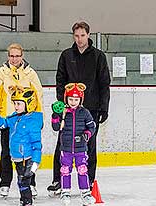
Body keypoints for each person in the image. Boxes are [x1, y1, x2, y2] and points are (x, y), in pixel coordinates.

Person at [48, 21, 111, 195]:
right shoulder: (67, 55)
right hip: (69, 110)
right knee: (63, 142)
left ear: (88, 35)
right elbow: (60, 80)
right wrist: (62, 103)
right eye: (76, 36)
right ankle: (57, 180)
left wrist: (104, 107)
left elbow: (104, 83)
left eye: (82, 35)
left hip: (91, 109)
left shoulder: (98, 56)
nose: (79, 39)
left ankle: (89, 180)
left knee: (89, 144)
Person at [0, 43, 44, 198]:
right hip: (8, 120)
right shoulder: (1, 73)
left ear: (22, 56)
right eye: (11, 56)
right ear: (8, 56)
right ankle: (5, 183)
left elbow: (37, 95)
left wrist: (39, 118)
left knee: (28, 153)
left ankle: (30, 182)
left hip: (27, 120)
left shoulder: (30, 73)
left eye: (17, 56)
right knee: (6, 152)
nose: (14, 59)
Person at [0, 86, 43, 206]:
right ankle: (24, 205)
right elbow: (3, 125)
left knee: (24, 183)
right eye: (14, 103)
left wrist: (33, 167)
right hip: (17, 158)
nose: (15, 106)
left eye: (19, 103)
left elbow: (37, 145)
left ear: (29, 103)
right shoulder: (15, 118)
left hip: (27, 159)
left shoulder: (33, 121)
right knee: (21, 183)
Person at [51, 83, 96, 206]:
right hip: (66, 148)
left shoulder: (85, 112)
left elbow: (92, 126)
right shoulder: (63, 112)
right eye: (71, 99)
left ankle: (85, 193)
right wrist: (55, 115)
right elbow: (55, 127)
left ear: (80, 100)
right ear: (66, 99)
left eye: (76, 99)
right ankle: (66, 192)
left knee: (82, 170)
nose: (73, 102)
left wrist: (87, 133)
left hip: (81, 148)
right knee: (65, 170)